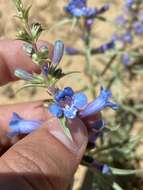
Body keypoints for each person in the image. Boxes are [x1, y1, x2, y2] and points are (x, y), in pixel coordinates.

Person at [0, 39, 88, 190]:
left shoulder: (64, 102)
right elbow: (58, 108)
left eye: (67, 101)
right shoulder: (58, 107)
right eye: (63, 103)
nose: (66, 104)